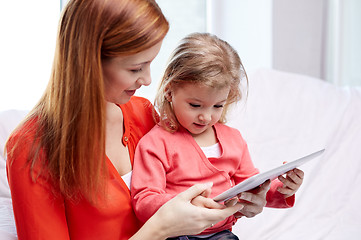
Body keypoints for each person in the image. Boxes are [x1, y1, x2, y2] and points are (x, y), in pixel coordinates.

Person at [4, 1, 249, 239]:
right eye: (135, 68)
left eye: (150, 63)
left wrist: (242, 202)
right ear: (89, 62)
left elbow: (193, 188)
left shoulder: (145, 114)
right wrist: (160, 229)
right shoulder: (31, 148)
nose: (148, 80)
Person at [131, 33, 305, 239]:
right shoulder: (156, 143)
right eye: (195, 105)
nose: (206, 116)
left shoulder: (233, 139)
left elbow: (252, 187)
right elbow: (144, 200)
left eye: (218, 106)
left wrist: (282, 189)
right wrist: (183, 204)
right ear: (169, 92)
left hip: (222, 234)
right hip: (177, 234)